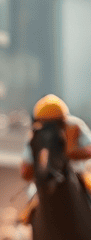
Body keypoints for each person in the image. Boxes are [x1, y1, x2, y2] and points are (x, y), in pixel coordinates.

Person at [18, 94, 91, 223]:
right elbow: (26, 168)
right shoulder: (35, 135)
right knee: (32, 197)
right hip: (45, 178)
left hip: (77, 173)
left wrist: (72, 152)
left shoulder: (74, 126)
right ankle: (30, 220)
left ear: (63, 121)